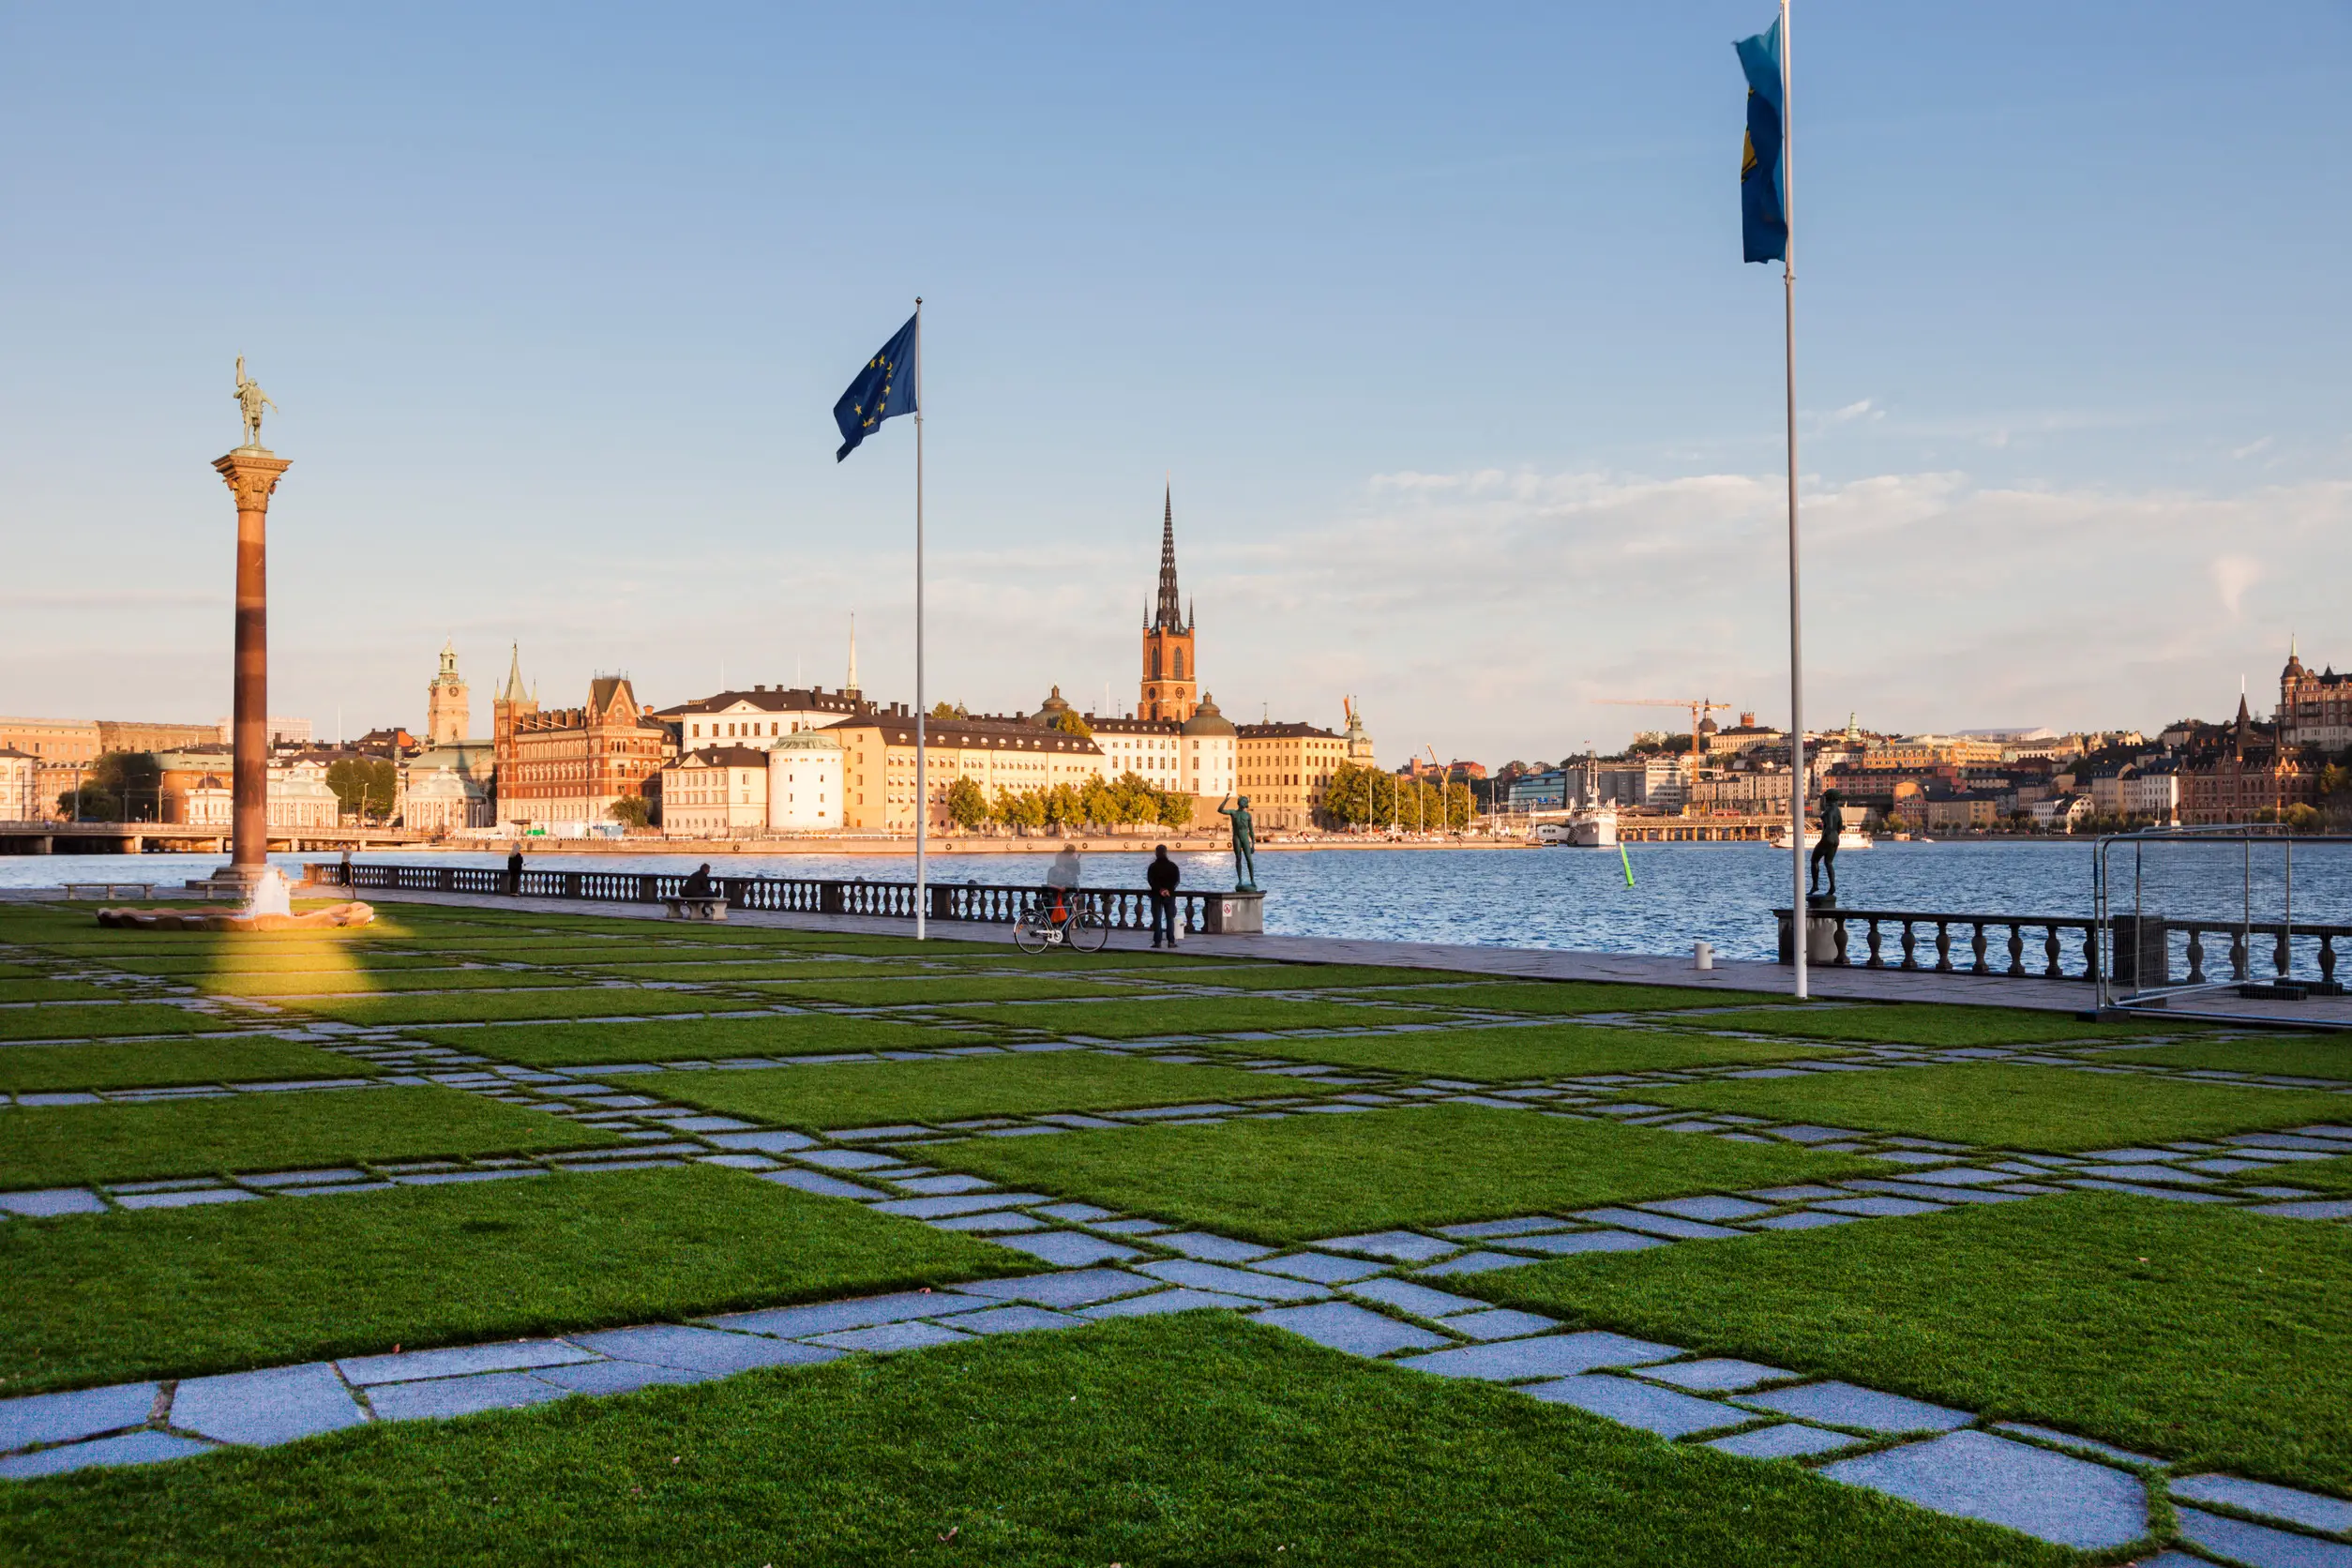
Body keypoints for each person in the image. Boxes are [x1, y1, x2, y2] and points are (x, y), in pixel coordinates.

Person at [1810, 790, 1845, 900]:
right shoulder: (1838, 810)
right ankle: (1832, 886)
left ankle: (1815, 886)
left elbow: (1829, 826)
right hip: (1836, 839)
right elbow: (1840, 826)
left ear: (1828, 798)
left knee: (1814, 860)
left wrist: (1824, 838)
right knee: (1828, 863)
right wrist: (1835, 836)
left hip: (1828, 838)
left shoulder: (1829, 810)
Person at [1041, 842, 1082, 929]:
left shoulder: (1060, 861)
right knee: (1068, 907)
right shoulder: (1069, 862)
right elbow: (1077, 872)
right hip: (1066, 888)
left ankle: (1064, 926)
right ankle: (1069, 926)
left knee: (1064, 907)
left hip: (1063, 888)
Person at [1146, 844, 1181, 947]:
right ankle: (1171, 941)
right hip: (1170, 895)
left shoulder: (1152, 867)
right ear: (1166, 852)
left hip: (1156, 895)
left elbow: (1150, 880)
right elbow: (1177, 880)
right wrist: (1168, 890)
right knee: (1170, 919)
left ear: (1156, 853)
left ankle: (1157, 941)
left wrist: (1160, 889)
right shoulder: (1173, 866)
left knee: (1157, 919)